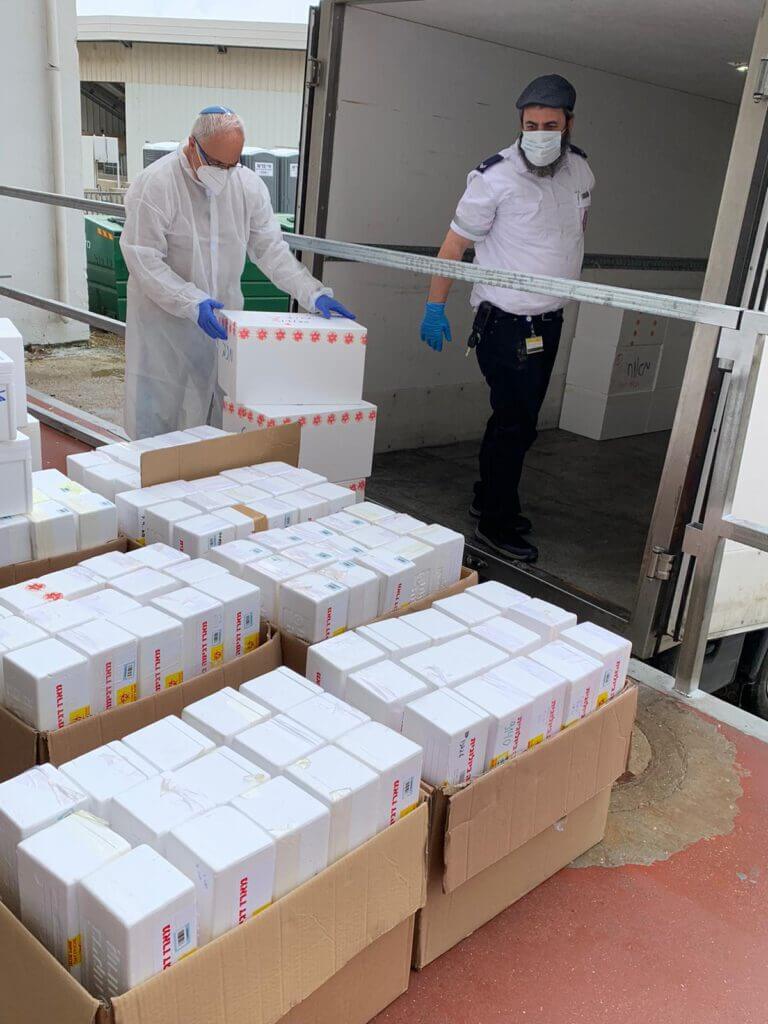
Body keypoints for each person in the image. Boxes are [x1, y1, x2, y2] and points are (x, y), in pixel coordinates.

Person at [419, 74, 594, 562]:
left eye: (550, 124)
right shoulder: (494, 177)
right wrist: (435, 305)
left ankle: (488, 498)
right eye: (530, 124)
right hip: (506, 324)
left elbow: (570, 235)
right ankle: (496, 522)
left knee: (520, 422)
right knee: (514, 424)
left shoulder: (581, 172)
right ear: (519, 124)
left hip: (549, 321)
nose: (539, 133)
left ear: (569, 125)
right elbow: (454, 246)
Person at [120, 106, 353, 439]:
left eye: (233, 164)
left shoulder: (247, 186)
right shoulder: (157, 184)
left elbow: (271, 250)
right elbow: (142, 258)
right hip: (164, 325)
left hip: (221, 324)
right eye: (216, 163)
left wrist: (311, 292)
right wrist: (189, 300)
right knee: (159, 413)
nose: (224, 173)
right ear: (191, 146)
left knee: (217, 412)